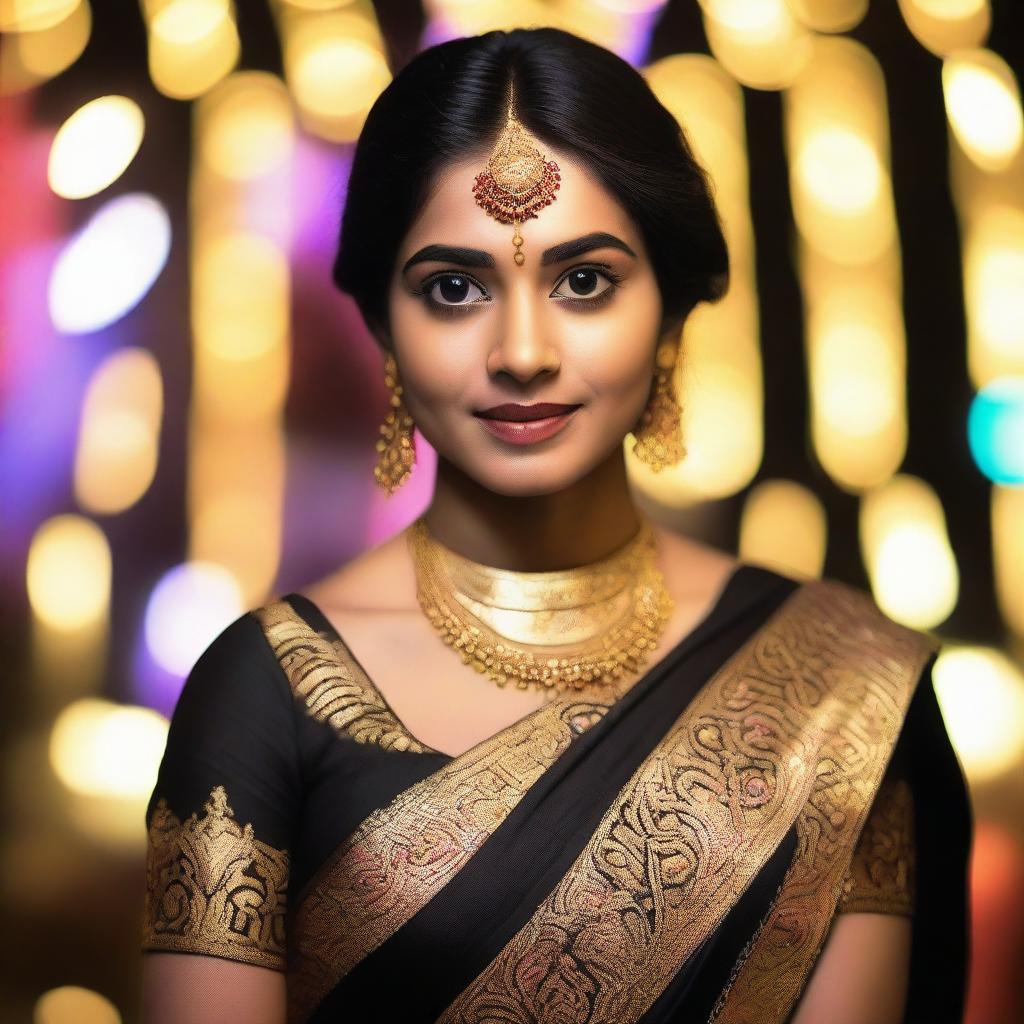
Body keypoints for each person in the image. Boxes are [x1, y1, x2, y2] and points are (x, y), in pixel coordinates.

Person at [139, 27, 971, 1024]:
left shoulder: (843, 690)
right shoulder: (262, 690)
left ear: (667, 311)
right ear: (379, 321)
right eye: (454, 288)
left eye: (584, 281)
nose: (523, 351)